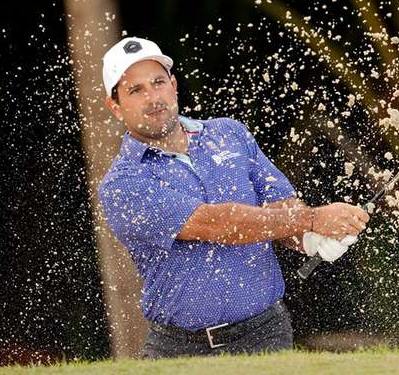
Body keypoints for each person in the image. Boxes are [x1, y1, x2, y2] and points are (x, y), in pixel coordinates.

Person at [97, 37, 369, 358]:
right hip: (181, 351)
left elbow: (279, 203)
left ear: (173, 85)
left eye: (158, 83)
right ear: (114, 106)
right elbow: (216, 225)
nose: (153, 97)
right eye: (135, 90)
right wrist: (312, 219)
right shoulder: (123, 184)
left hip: (267, 334)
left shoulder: (229, 133)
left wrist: (309, 239)